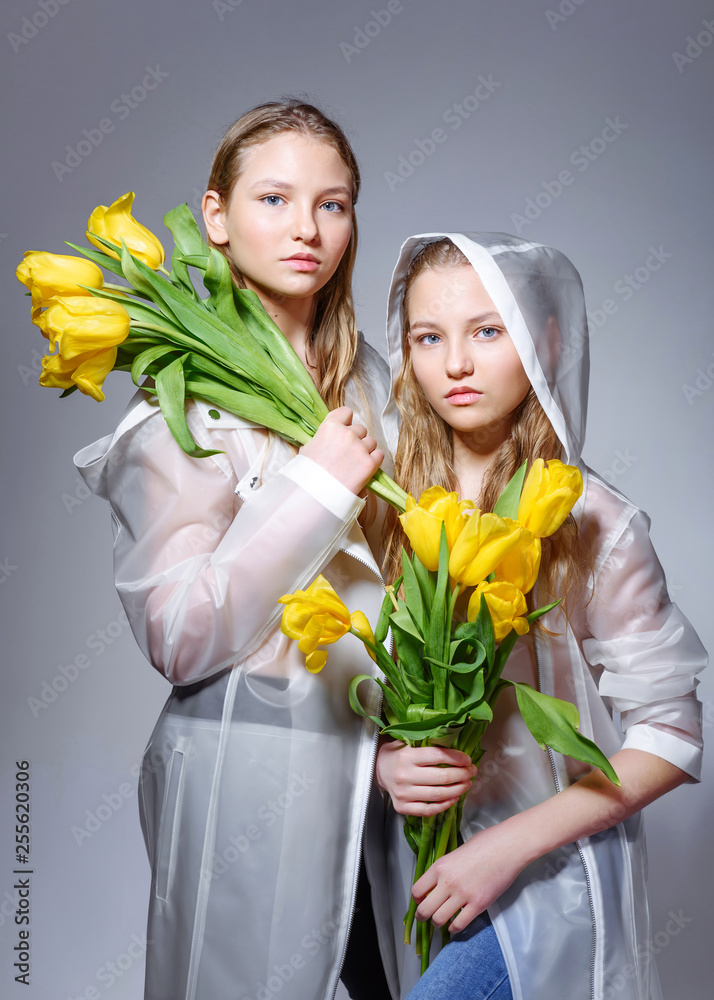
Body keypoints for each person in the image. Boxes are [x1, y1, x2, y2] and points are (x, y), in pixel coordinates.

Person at [74, 101, 395, 1000]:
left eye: (333, 204)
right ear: (214, 216)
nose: (307, 229)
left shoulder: (380, 383)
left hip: (395, 783)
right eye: (275, 199)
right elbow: (180, 637)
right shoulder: (179, 414)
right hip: (255, 785)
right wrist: (320, 489)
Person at [369, 233, 706, 1000]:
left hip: (546, 881)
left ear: (545, 340)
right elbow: (355, 686)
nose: (454, 364)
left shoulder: (594, 520)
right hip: (418, 870)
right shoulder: (390, 505)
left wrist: (505, 851)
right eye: (429, 337)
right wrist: (388, 765)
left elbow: (672, 735)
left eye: (487, 331)